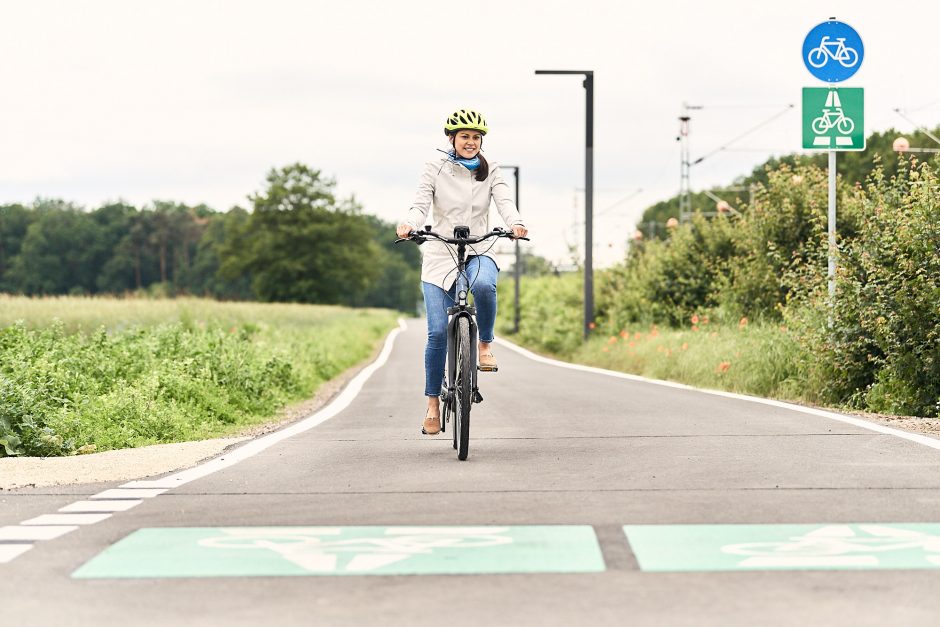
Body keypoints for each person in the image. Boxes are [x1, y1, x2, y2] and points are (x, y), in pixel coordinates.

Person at [397, 108, 528, 436]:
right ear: (452, 139)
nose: (471, 142)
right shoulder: (434, 168)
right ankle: (431, 404)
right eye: (464, 136)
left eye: (476, 137)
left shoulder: (491, 169)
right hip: (440, 254)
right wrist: (410, 224)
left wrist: (515, 223)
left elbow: (505, 202)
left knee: (484, 286)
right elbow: (419, 203)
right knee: (437, 332)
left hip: (479, 248)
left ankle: (484, 344)